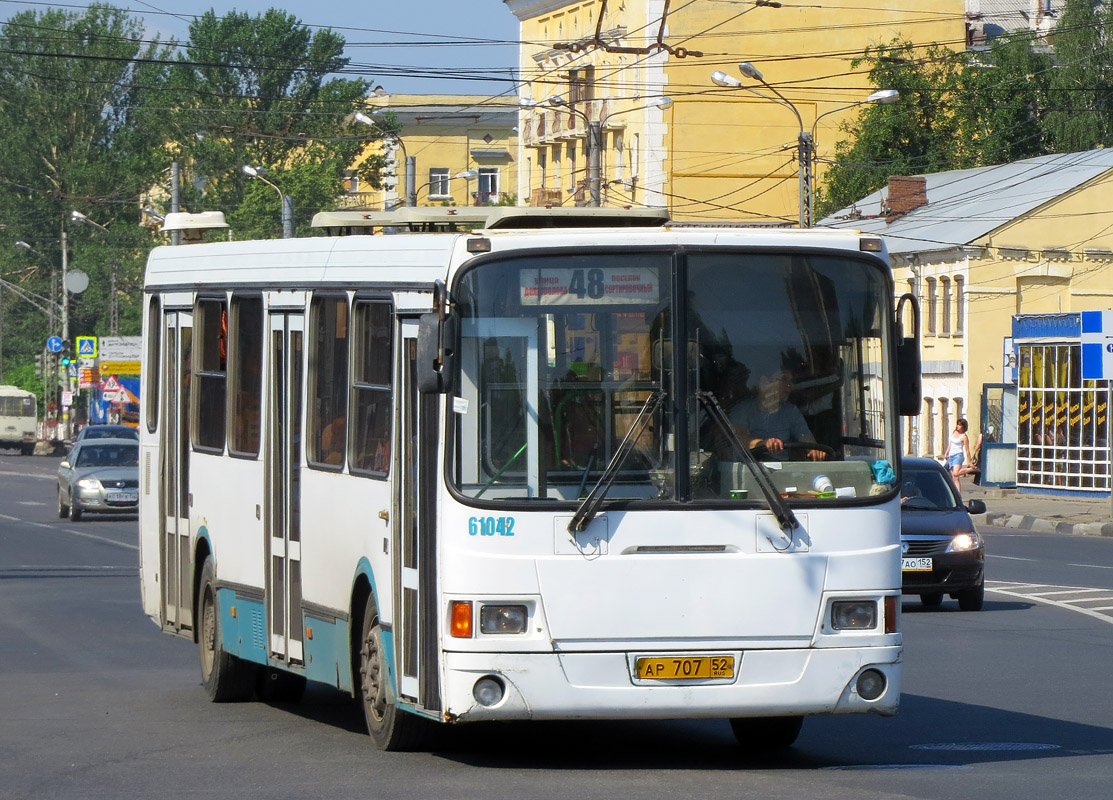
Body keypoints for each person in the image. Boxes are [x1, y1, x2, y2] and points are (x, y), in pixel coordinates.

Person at [729, 368, 826, 461]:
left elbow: (806, 438)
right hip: (750, 469)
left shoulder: (791, 411)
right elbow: (739, 438)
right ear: (764, 382)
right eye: (783, 379)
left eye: (790, 381)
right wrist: (763, 443)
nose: (789, 385)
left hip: (783, 471)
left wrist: (815, 451)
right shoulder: (742, 410)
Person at [947, 418, 974, 490]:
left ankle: (971, 469)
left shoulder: (964, 437)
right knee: (954, 477)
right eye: (957, 424)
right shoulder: (954, 432)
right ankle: (957, 495)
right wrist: (947, 453)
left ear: (963, 427)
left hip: (958, 455)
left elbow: (967, 450)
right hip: (951, 455)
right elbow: (950, 444)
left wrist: (970, 461)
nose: (958, 426)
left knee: (956, 473)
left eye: (960, 425)